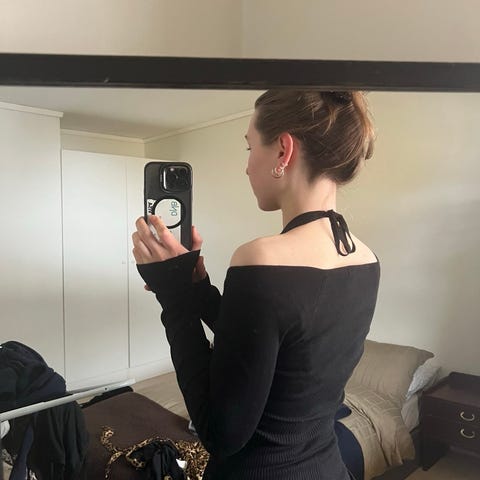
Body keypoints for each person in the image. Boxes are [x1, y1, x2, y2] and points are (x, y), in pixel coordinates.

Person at [132, 90, 380, 480]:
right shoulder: (365, 258)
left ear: (283, 150)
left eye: (250, 148)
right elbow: (280, 345)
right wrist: (198, 291)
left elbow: (220, 435)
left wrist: (173, 297)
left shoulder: (261, 258)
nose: (247, 168)